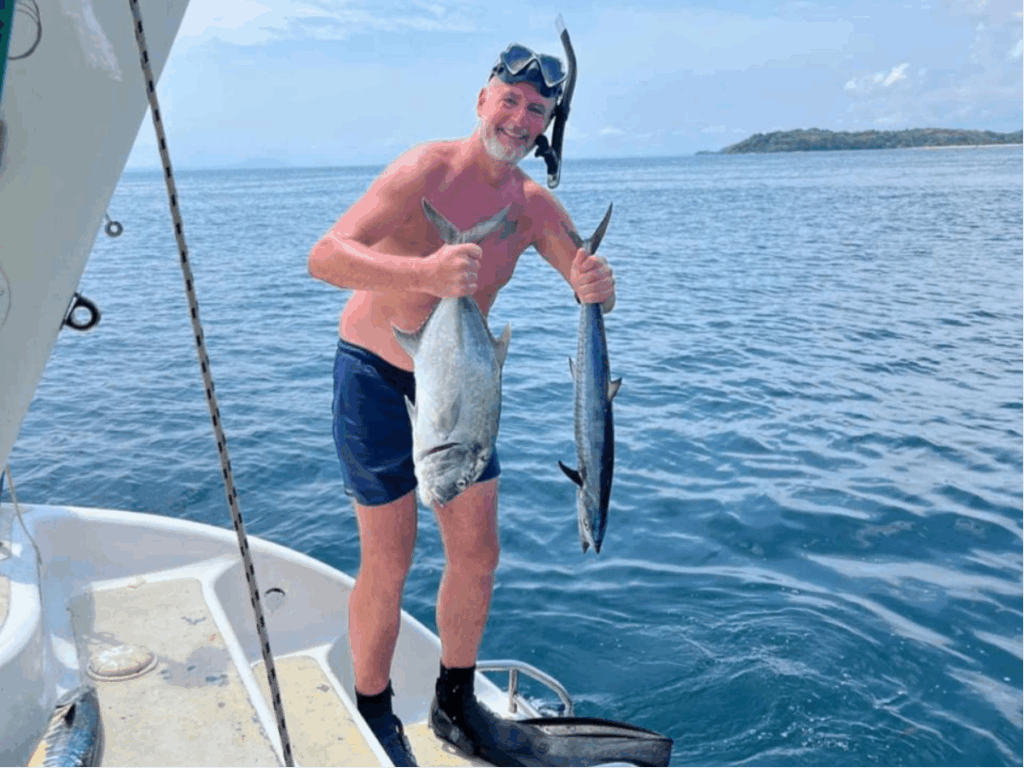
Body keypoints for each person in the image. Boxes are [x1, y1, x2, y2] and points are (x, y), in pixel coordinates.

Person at [307, 41, 616, 767]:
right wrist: (425, 271)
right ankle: (374, 710)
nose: (519, 118)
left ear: (546, 126)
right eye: (509, 100)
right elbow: (325, 256)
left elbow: (583, 279)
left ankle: (455, 705)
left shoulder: (533, 206)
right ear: (483, 101)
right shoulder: (424, 171)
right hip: (377, 377)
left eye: (536, 110)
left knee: (478, 553)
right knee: (390, 557)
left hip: (461, 387)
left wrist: (599, 286)